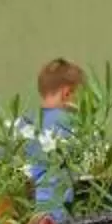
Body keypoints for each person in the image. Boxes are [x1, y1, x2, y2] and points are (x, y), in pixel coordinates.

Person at [30, 58, 84, 212]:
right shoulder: (69, 123)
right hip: (57, 220)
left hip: (24, 221)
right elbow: (104, 156)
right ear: (67, 93)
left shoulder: (21, 125)